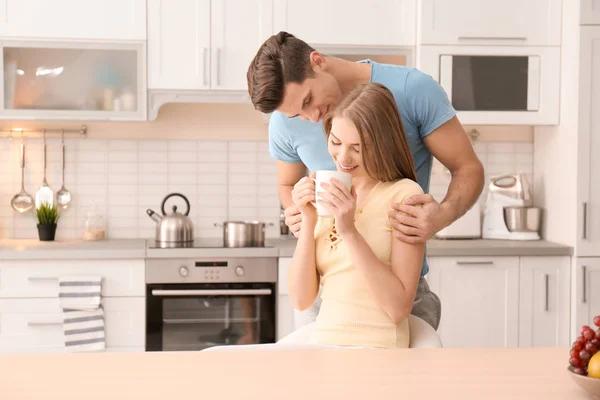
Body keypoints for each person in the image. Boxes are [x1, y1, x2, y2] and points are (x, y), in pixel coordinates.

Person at [246, 31, 484, 330]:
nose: (313, 118)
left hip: (395, 289)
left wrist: (441, 217)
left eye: (309, 100)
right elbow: (287, 185)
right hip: (325, 289)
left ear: (317, 62)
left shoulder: (413, 90)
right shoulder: (286, 120)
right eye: (298, 114)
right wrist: (295, 212)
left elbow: (468, 168)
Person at [288, 82, 423, 348]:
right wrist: (308, 219)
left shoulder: (404, 196)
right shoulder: (328, 189)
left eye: (358, 148)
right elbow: (301, 300)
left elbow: (398, 309)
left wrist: (349, 231)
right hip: (325, 347)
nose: (343, 157)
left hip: (379, 350)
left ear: (383, 145)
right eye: (336, 142)